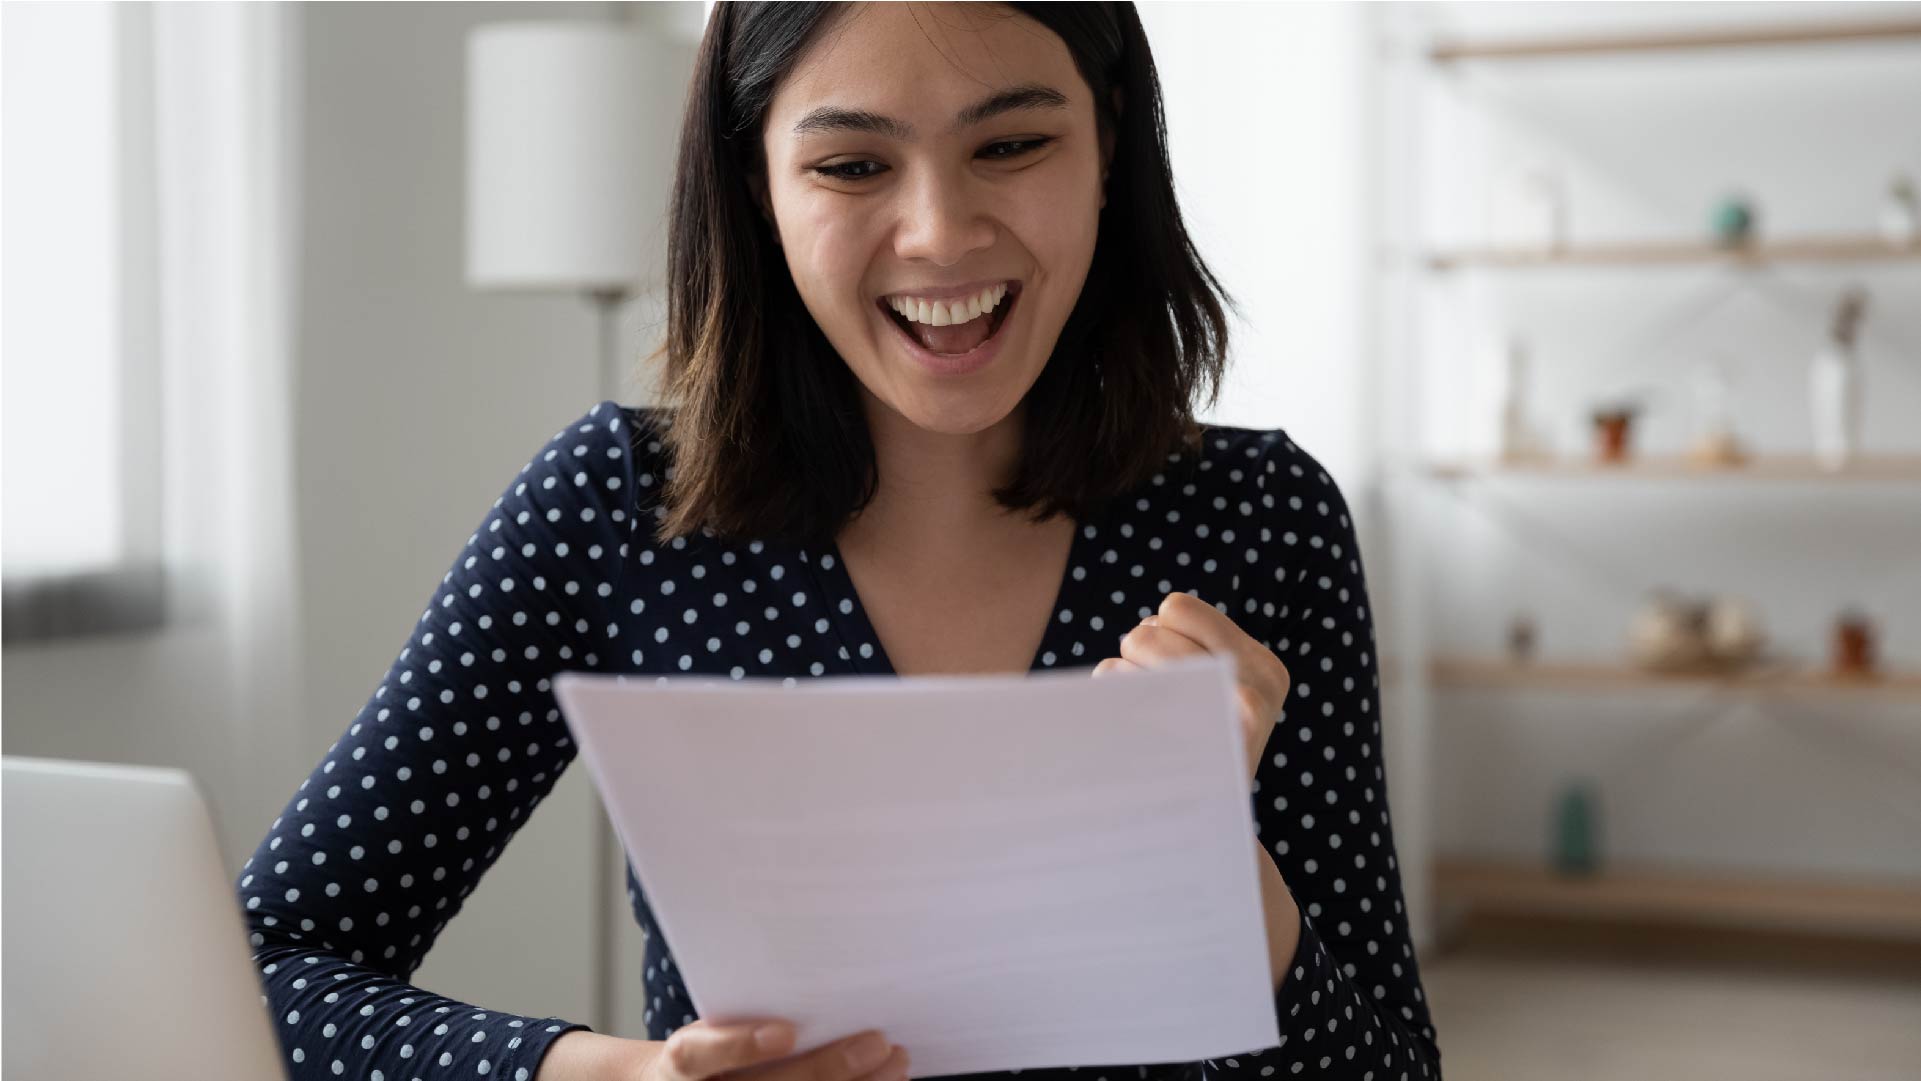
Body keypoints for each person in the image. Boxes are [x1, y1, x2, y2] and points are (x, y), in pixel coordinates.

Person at [235, 3, 1443, 1080]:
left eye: (1011, 144)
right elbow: (264, 966)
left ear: (1109, 138)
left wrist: (1215, 868)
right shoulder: (614, 505)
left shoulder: (1260, 521)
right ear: (757, 180)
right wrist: (611, 1075)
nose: (938, 233)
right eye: (854, 164)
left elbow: (1388, 1063)